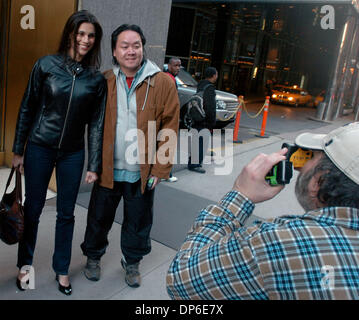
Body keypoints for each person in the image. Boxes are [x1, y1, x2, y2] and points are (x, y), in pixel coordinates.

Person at [167, 122, 359, 299]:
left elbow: (180, 280)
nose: (300, 166)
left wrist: (240, 195)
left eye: (311, 157)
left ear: (321, 180)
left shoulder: (280, 243)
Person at [11, 10, 106, 296]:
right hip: (39, 146)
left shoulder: (95, 80)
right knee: (34, 209)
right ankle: (25, 266)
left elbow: (97, 125)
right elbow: (27, 106)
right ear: (70, 34)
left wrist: (94, 163)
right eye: (81, 34)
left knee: (67, 214)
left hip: (72, 154)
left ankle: (61, 269)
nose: (85, 40)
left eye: (91, 36)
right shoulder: (46, 65)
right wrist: (18, 150)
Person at [80, 24, 180, 288]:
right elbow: (94, 123)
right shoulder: (104, 80)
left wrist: (160, 170)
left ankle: (132, 262)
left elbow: (170, 126)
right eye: (124, 46)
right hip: (107, 169)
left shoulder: (161, 82)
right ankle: (93, 256)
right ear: (114, 51)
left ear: (143, 47)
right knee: (98, 218)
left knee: (138, 221)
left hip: (141, 171)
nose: (131, 51)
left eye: (136, 45)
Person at [188, 67, 217, 174]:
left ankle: (192, 162)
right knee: (202, 143)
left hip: (197, 117)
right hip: (204, 120)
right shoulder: (210, 88)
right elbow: (210, 107)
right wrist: (211, 122)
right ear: (213, 75)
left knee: (196, 141)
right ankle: (195, 164)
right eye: (216, 74)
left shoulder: (200, 85)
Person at [164, 57, 182, 182]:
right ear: (169, 65)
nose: (178, 68)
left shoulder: (169, 78)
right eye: (176, 65)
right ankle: (166, 174)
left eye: (179, 65)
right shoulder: (168, 78)